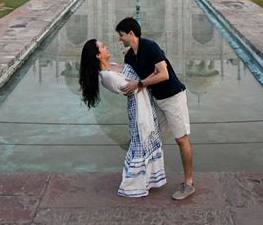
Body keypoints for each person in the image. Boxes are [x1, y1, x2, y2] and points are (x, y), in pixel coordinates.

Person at [116, 17, 195, 201]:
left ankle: (189, 183)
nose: (120, 39)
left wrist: (140, 84)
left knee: (181, 139)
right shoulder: (129, 56)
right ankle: (148, 177)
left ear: (131, 33)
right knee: (146, 135)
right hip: (156, 100)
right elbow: (123, 72)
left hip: (173, 97)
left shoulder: (151, 47)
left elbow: (164, 74)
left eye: (121, 35)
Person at [79, 38, 166, 198]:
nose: (106, 47)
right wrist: (153, 65)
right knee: (139, 147)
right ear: (98, 55)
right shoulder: (107, 77)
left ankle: (147, 180)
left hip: (143, 105)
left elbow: (135, 77)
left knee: (144, 145)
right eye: (103, 47)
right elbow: (133, 87)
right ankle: (131, 186)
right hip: (139, 111)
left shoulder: (112, 67)